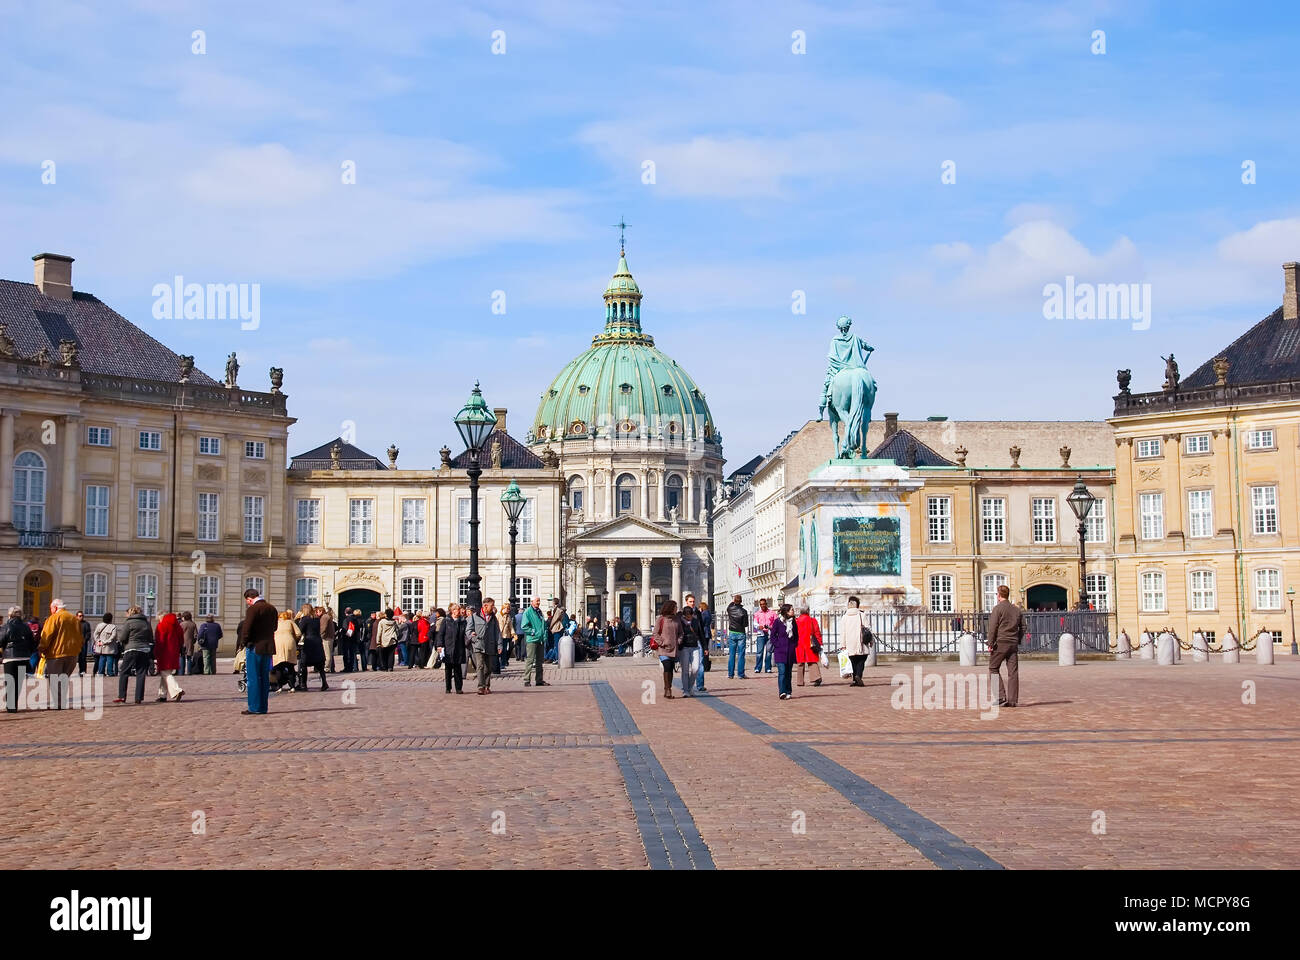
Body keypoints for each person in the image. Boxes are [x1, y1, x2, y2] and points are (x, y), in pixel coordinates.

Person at [240, 587, 278, 715]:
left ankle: (254, 707)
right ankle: (263, 707)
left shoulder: (253, 609)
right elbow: (274, 627)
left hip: (255, 646)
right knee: (264, 678)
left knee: (253, 677)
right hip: (268, 646)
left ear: (250, 599)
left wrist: (243, 643)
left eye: (247, 601)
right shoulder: (272, 608)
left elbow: (247, 628)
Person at [38, 599, 83, 709]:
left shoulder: (53, 618)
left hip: (56, 654)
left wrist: (41, 649)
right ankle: (61, 702)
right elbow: (80, 637)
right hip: (72, 654)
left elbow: (46, 636)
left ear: (55, 608)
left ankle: (58, 704)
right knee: (64, 678)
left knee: (54, 679)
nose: (51, 611)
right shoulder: (74, 619)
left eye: (51, 608)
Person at [985, 584, 1024, 708]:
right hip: (1013, 643)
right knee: (1013, 672)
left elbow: (993, 627)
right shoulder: (1016, 609)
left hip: (1001, 643)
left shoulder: (998, 609)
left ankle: (1001, 697)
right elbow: (1023, 627)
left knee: (993, 668)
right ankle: (1013, 700)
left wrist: (990, 643)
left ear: (999, 595)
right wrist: (1018, 639)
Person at [112, 605, 154, 705]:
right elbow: (150, 637)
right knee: (141, 673)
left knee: (124, 672)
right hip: (144, 650)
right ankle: (138, 698)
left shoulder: (129, 622)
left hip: (131, 649)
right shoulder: (146, 623)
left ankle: (122, 696)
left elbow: (122, 638)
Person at [2, 606, 37, 712]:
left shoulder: (6, 626)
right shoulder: (26, 626)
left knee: (10, 682)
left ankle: (10, 706)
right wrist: (28, 653)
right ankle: (14, 705)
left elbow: (1, 640)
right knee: (18, 683)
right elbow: (32, 643)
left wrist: (3, 651)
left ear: (10, 615)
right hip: (24, 658)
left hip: (10, 658)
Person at [651, 600, 683, 700]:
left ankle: (668, 688)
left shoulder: (677, 619)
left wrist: (678, 641)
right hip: (663, 649)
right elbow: (655, 633)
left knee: (671, 669)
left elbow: (681, 633)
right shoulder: (661, 619)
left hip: (674, 648)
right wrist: (662, 643)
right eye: (675, 607)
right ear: (670, 608)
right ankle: (667, 689)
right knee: (667, 666)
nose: (676, 609)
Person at [469, 599, 501, 694]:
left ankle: (487, 685)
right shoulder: (475, 616)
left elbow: (497, 632)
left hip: (490, 645)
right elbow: (468, 630)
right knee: (480, 666)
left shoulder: (493, 618)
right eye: (492, 605)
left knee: (488, 667)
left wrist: (499, 645)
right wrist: (472, 636)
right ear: (486, 606)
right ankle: (480, 686)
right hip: (478, 644)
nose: (493, 607)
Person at [153, 611, 186, 702]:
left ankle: (177, 690)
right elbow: (181, 639)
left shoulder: (161, 626)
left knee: (165, 673)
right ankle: (162, 695)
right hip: (174, 651)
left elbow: (160, 641)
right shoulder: (176, 625)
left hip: (164, 652)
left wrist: (156, 653)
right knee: (165, 673)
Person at [839, 596, 872, 687]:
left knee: (853, 661)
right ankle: (858, 676)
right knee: (861, 660)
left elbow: (843, 632)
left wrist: (843, 645)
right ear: (858, 605)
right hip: (861, 643)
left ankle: (855, 680)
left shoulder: (845, 617)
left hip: (850, 643)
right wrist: (871, 641)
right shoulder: (862, 615)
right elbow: (868, 629)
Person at [297, 605, 329, 692]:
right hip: (317, 642)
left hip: (308, 642)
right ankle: (324, 683)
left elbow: (300, 631)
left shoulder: (304, 619)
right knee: (320, 664)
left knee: (303, 664)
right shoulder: (317, 619)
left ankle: (303, 684)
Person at [771, 604, 798, 700]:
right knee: (782, 672)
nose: (793, 611)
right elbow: (773, 635)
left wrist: (794, 645)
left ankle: (788, 691)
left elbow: (796, 635)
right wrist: (777, 644)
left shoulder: (793, 622)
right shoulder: (778, 621)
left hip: (790, 651)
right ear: (786, 611)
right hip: (780, 651)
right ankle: (782, 691)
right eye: (791, 610)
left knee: (788, 673)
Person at [521, 596, 549, 687]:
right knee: (530, 660)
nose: (538, 602)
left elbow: (542, 625)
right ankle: (527, 680)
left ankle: (539, 680)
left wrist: (544, 635)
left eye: (539, 601)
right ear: (532, 602)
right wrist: (533, 632)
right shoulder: (528, 612)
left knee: (539, 661)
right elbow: (524, 626)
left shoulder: (539, 611)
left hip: (540, 639)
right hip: (532, 639)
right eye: (537, 601)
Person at [683, 594, 708, 692]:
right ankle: (687, 686)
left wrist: (705, 646)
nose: (692, 603)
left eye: (693, 601)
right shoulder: (682, 614)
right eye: (690, 601)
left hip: (696, 641)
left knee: (698, 665)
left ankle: (700, 685)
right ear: (686, 602)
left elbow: (701, 629)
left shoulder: (697, 613)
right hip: (686, 643)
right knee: (686, 667)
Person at [439, 602, 466, 693]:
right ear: (452, 611)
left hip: (459, 648)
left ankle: (459, 688)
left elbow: (465, 634)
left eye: (459, 609)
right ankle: (448, 687)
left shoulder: (462, 621)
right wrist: (440, 645)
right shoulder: (446, 621)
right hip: (448, 647)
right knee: (448, 669)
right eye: (457, 609)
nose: (459, 611)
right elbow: (441, 634)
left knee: (458, 668)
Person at [794, 607, 823, 687]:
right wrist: (820, 642)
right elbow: (817, 632)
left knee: (800, 663)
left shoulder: (796, 621)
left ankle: (800, 681)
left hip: (799, 643)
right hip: (810, 643)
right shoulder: (812, 620)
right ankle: (816, 677)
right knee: (812, 661)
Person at [677, 604, 701, 697]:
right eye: (687, 616)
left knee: (696, 668)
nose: (689, 618)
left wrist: (705, 647)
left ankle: (690, 687)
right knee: (685, 670)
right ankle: (686, 690)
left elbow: (701, 633)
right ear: (684, 615)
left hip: (695, 646)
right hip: (684, 647)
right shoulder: (680, 622)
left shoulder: (696, 621)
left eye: (690, 616)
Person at [724, 594, 749, 679]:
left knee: (732, 654)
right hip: (741, 632)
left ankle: (730, 674)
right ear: (741, 601)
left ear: (734, 601)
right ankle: (740, 674)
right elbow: (746, 624)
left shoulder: (730, 609)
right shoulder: (744, 611)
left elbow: (730, 605)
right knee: (741, 654)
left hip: (732, 632)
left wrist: (733, 601)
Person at [752, 598, 777, 674]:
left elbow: (776, 623)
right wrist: (758, 626)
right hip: (761, 634)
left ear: (766, 604)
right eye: (761, 604)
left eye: (764, 604)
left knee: (769, 652)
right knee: (759, 652)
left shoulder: (772, 613)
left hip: (770, 634)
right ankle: (758, 668)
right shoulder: (757, 613)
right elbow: (755, 623)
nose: (762, 605)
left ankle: (768, 668)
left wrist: (772, 627)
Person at [93, 613, 119, 677]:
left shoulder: (99, 625)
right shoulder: (113, 627)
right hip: (109, 646)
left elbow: (95, 634)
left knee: (102, 659)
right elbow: (113, 637)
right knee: (110, 659)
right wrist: (106, 642)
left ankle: (101, 672)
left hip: (101, 646)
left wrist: (99, 641)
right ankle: (110, 672)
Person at [496, 602, 514, 673]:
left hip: (506, 635)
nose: (508, 610)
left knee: (504, 650)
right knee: (499, 650)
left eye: (509, 609)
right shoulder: (498, 615)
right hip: (499, 635)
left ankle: (503, 664)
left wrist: (513, 633)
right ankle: (498, 663)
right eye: (507, 608)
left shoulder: (508, 616)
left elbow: (511, 626)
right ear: (503, 608)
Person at [76, 610, 92, 676]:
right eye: (80, 616)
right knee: (77, 658)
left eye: (82, 616)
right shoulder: (74, 623)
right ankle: (79, 670)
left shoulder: (86, 624)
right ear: (76, 616)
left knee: (83, 657)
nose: (81, 617)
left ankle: (83, 670)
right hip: (76, 643)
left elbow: (88, 633)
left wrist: (85, 640)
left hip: (83, 643)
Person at [320, 606, 336, 673]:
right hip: (329, 637)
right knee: (329, 653)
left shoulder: (324, 617)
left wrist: (320, 636)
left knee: (327, 654)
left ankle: (327, 668)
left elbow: (323, 628)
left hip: (326, 638)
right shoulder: (328, 617)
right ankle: (330, 667)